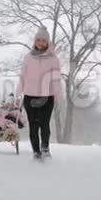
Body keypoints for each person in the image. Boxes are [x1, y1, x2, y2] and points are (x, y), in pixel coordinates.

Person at [17, 27, 62, 159]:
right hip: (30, 96)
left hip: (47, 97)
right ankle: (36, 151)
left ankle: (45, 148)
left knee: (44, 123)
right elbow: (22, 77)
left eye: (43, 40)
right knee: (33, 125)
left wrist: (59, 97)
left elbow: (56, 80)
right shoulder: (28, 57)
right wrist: (18, 93)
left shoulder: (54, 59)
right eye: (38, 40)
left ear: (47, 42)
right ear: (35, 41)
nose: (40, 43)